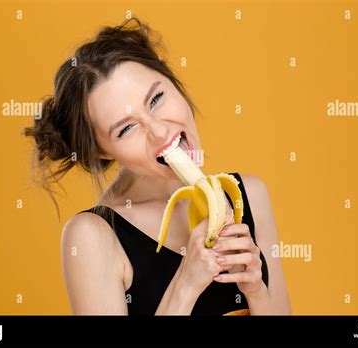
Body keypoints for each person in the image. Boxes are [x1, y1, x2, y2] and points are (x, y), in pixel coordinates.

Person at [24, 17, 291, 315]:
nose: (160, 132)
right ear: (101, 151)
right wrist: (185, 286)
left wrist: (256, 291)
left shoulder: (249, 195)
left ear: (171, 79)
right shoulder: (92, 237)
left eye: (157, 99)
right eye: (126, 129)